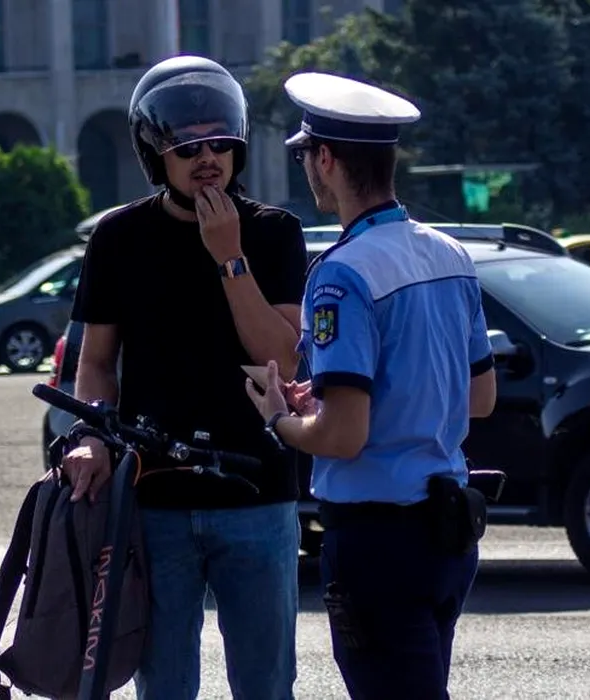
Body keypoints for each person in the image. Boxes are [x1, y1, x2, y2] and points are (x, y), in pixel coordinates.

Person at [244, 72, 499, 700]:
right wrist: (333, 399)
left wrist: (280, 418)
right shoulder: (449, 254)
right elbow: (480, 398)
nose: (308, 169)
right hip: (449, 532)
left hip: (378, 541)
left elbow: (343, 437)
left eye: (306, 156)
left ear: (326, 160)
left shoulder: (340, 274)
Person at [62, 56, 308, 700]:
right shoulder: (118, 236)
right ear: (155, 155)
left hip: (258, 493)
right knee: (164, 687)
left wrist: (229, 256)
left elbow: (282, 360)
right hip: (154, 499)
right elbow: (96, 362)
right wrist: (91, 437)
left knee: (266, 686)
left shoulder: (274, 232)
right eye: (188, 147)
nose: (208, 159)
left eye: (220, 144)